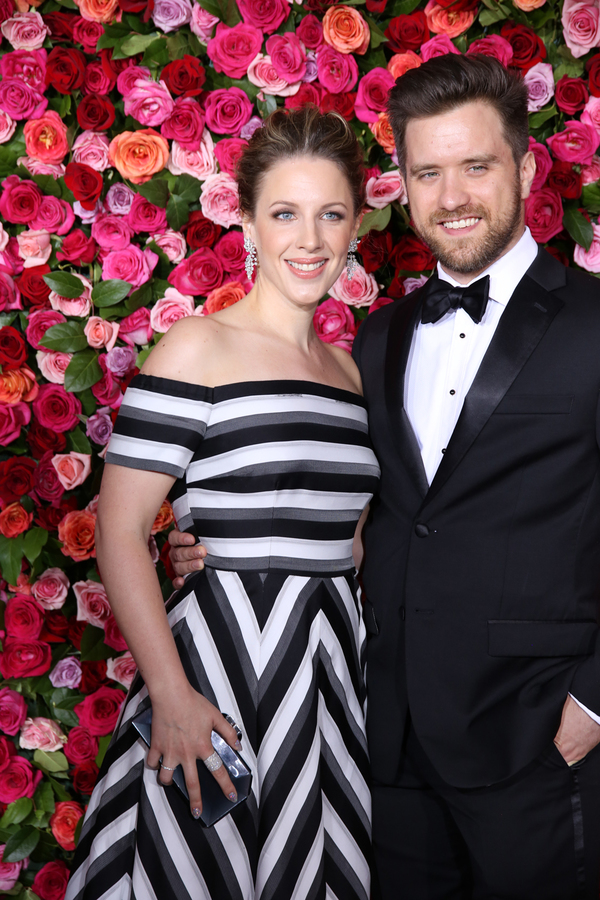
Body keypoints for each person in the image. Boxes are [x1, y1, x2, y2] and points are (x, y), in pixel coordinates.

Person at [170, 55, 600, 899]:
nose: (452, 197)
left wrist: (593, 703)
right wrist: (219, 541)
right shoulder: (378, 337)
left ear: (523, 166)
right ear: (401, 185)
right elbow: (374, 507)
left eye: (475, 166)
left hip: (537, 735)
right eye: (427, 172)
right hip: (383, 735)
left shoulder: (595, 324)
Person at [64, 107, 379, 900]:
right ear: (245, 220)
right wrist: (169, 697)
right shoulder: (199, 346)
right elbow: (121, 529)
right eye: (284, 213)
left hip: (330, 679)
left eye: (330, 213)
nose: (308, 239)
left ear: (357, 225)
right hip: (214, 673)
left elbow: (352, 541)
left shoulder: (351, 369)